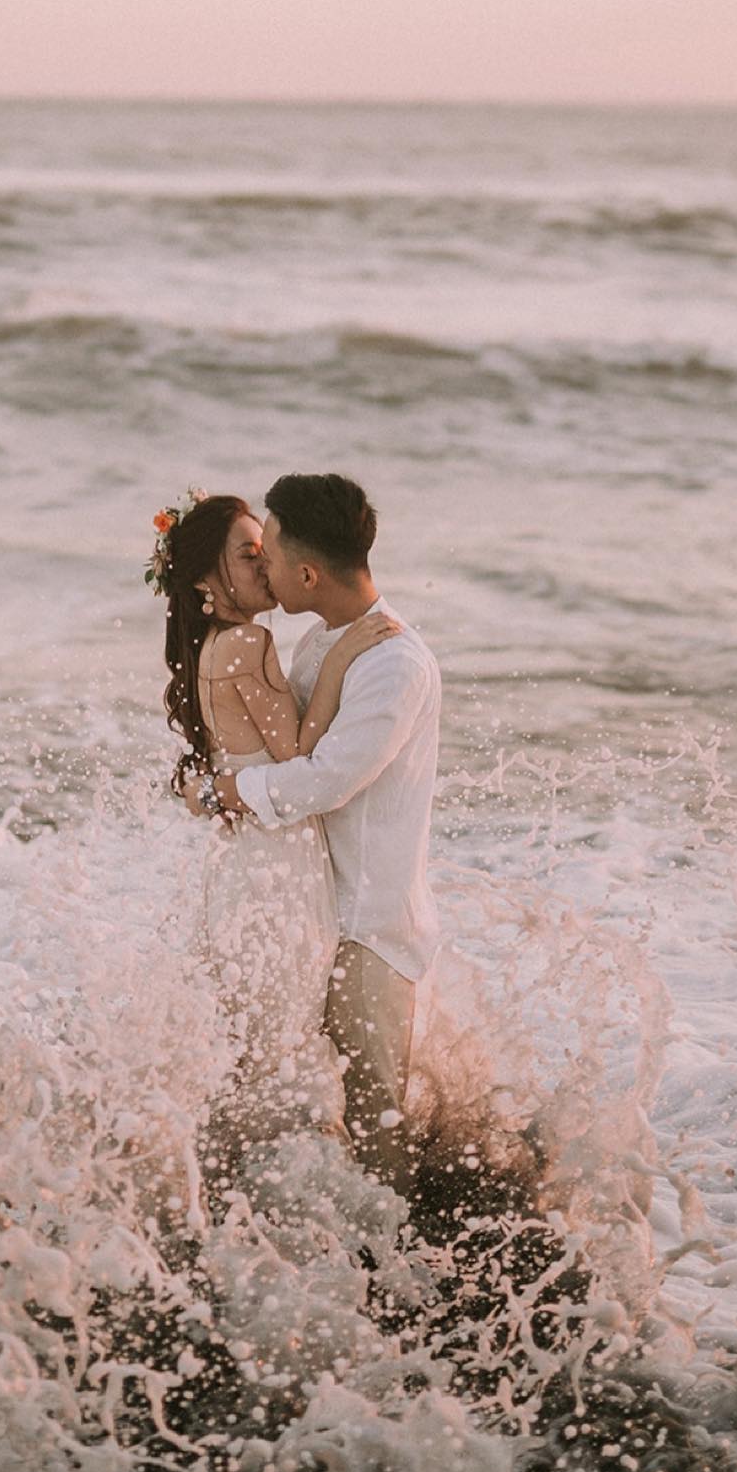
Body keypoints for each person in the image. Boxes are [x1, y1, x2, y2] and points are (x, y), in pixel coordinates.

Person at [184, 474, 441, 1190]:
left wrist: (226, 790)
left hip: (370, 930)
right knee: (296, 1109)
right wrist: (211, 786)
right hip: (312, 911)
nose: (260, 566)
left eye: (267, 555)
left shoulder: (393, 662)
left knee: (374, 1125)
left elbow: (324, 778)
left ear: (305, 572)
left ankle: (397, 1283)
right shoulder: (319, 646)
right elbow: (276, 743)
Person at [149, 487, 398, 1160]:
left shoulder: (215, 648)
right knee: (283, 1031)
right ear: (207, 576)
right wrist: (345, 658)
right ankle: (292, 1171)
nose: (267, 568)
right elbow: (300, 756)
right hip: (277, 859)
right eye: (248, 556)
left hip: (247, 857)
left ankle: (238, 1174)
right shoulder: (245, 643)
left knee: (258, 1036)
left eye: (266, 553)